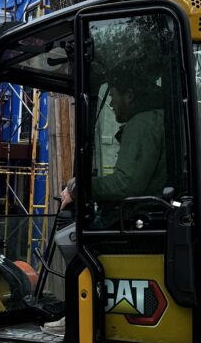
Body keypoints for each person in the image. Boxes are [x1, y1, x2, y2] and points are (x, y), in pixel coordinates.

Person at [60, 65, 166, 224]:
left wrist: (77, 187)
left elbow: (125, 185)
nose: (110, 102)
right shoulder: (168, 117)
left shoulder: (143, 124)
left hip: (145, 222)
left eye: (112, 95)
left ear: (128, 95)